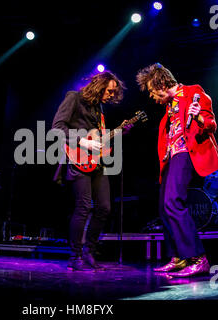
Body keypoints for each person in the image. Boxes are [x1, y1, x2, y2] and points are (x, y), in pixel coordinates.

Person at [136, 63, 218, 277]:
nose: (151, 96)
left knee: (173, 201)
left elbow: (211, 124)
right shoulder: (169, 107)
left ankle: (198, 257)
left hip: (186, 152)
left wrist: (199, 117)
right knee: (163, 206)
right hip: (172, 156)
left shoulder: (193, 91)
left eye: (151, 90)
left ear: (162, 83)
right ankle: (179, 258)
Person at [52, 71, 132, 271]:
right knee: (84, 206)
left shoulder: (99, 109)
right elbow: (57, 127)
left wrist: (119, 132)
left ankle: (89, 251)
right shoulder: (74, 97)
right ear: (100, 85)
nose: (112, 95)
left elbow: (99, 139)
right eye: (110, 91)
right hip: (77, 158)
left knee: (104, 207)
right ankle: (75, 256)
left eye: (114, 93)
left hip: (96, 162)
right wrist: (83, 141)